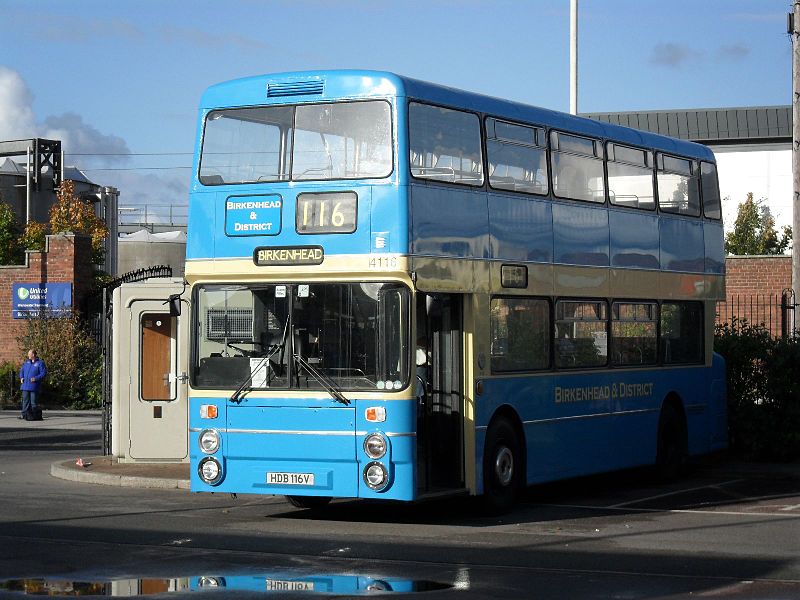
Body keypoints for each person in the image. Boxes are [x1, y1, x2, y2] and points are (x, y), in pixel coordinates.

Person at [20, 349, 46, 421]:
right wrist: (21, 377)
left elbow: (43, 373)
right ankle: (24, 415)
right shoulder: (26, 363)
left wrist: (36, 378)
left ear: (33, 355)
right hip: (25, 385)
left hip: (34, 386)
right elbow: (21, 371)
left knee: (33, 402)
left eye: (29, 354)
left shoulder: (40, 363)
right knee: (25, 401)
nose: (28, 355)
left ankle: (35, 415)